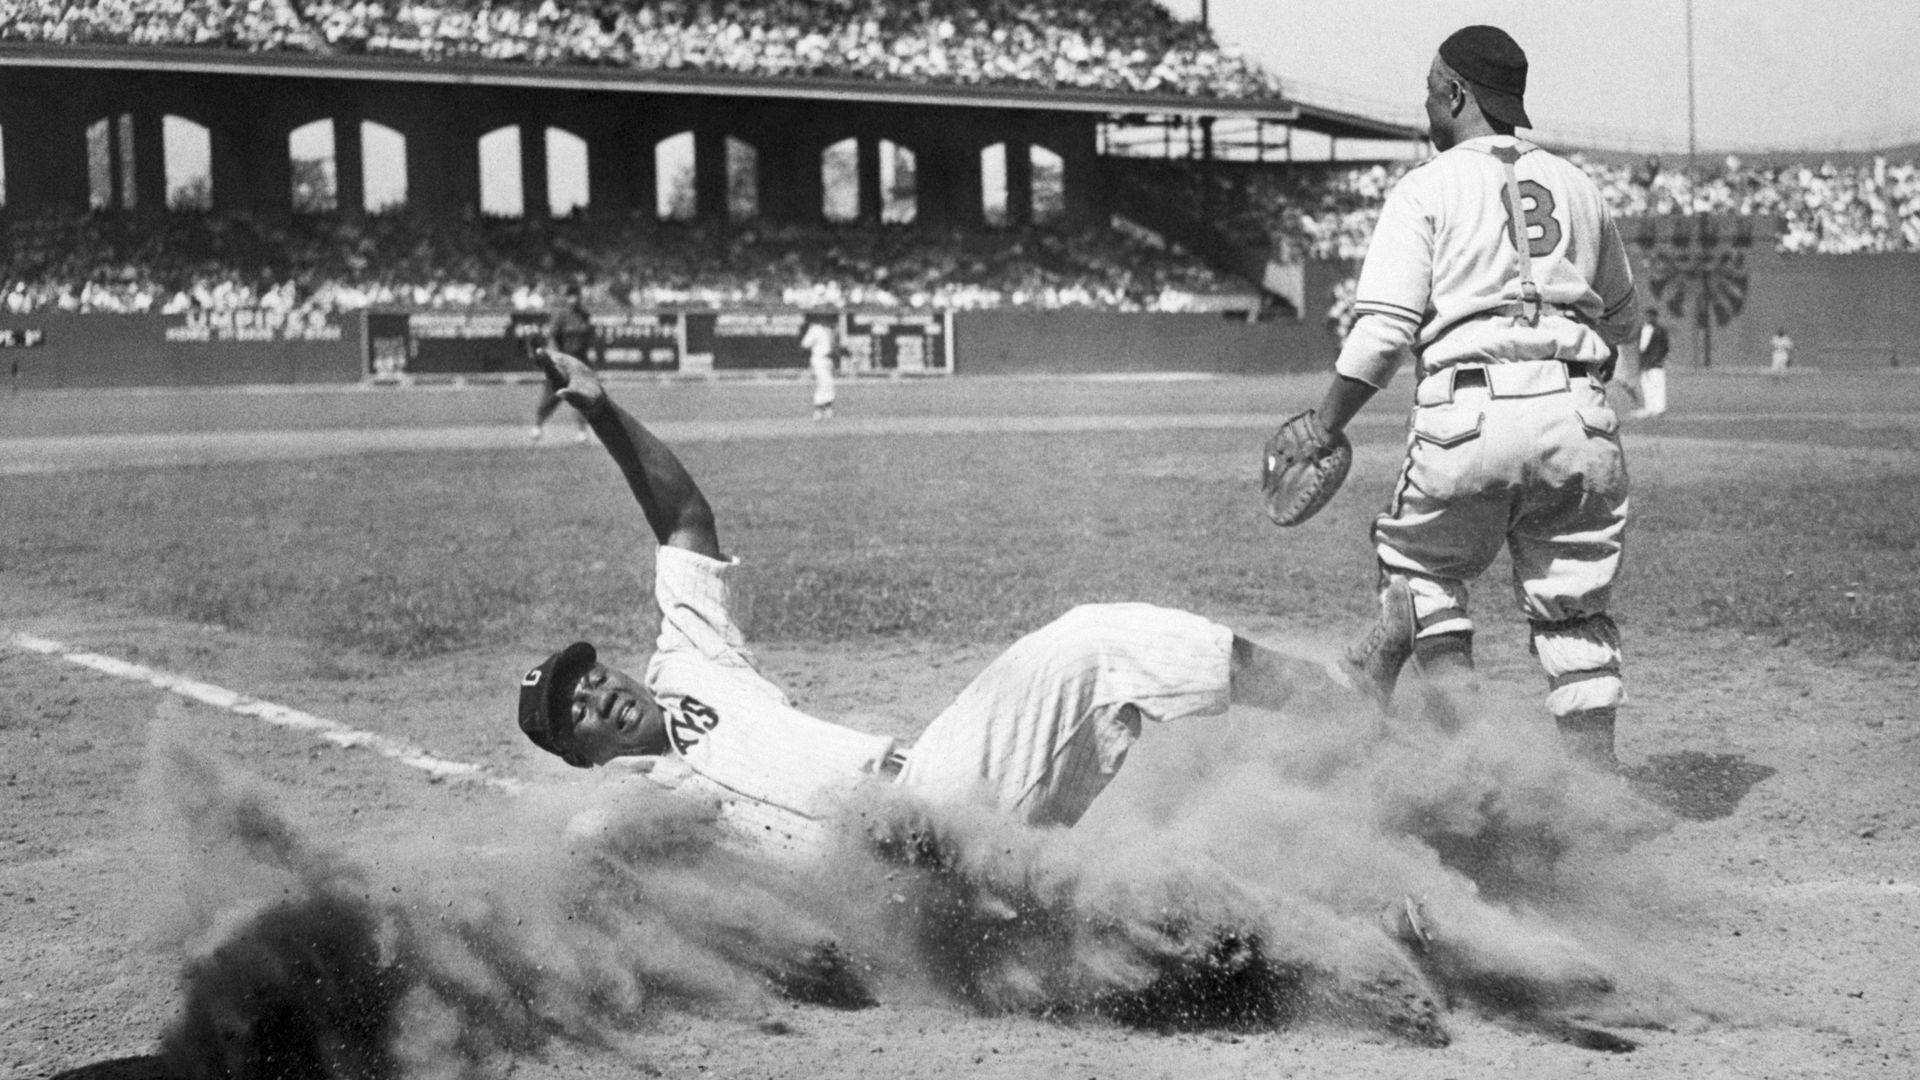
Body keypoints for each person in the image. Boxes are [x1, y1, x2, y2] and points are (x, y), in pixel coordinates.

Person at [516, 349, 1361, 830]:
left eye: (590, 678)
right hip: (895, 898)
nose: (596, 695)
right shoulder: (624, 816)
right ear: (577, 756)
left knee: (1095, 644)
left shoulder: (690, 662)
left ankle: (1336, 702)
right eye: (575, 712)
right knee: (1128, 896)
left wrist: (605, 415)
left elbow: (686, 523)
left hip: (935, 800)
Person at [1291, 26, 1641, 767]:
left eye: (1430, 89)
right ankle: (1594, 801)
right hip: (1580, 414)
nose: (1426, 103)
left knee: (1420, 576)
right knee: (1574, 611)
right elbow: (1624, 319)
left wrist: (1326, 426)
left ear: (1454, 93)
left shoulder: (1426, 185)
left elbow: (1384, 334)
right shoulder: (1581, 187)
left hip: (1469, 408)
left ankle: (1479, 767)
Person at [531, 285, 598, 443]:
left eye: (576, 296)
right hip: (562, 363)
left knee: (581, 397)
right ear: (566, 298)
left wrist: (590, 351)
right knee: (551, 396)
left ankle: (582, 431)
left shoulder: (584, 315)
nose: (573, 299)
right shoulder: (561, 315)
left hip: (579, 363)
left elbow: (588, 337)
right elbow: (552, 337)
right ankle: (538, 425)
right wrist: (555, 360)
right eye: (570, 296)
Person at [1628, 306, 1670, 418]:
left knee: (1657, 384)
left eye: (1650, 316)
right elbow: (1639, 345)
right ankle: (1650, 408)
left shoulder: (1660, 330)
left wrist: (1658, 359)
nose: (1648, 318)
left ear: (1655, 317)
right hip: (1644, 362)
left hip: (1655, 362)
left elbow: (1664, 347)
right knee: (1646, 385)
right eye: (1646, 315)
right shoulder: (1642, 329)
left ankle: (1660, 409)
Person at [800, 318, 839, 421]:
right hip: (819, 358)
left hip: (829, 359)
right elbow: (805, 344)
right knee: (823, 382)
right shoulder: (815, 329)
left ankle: (827, 408)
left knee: (829, 383)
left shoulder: (832, 329)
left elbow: (835, 346)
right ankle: (819, 409)